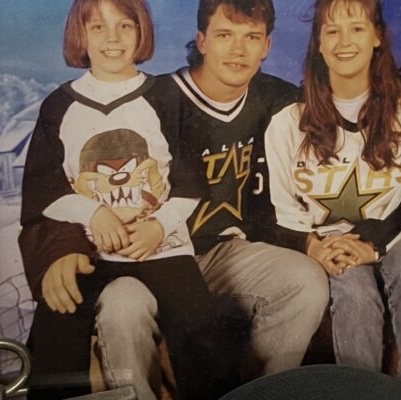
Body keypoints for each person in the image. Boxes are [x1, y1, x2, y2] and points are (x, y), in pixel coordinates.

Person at [79, 0, 330, 395]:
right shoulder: (152, 99)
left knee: (305, 280)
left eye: (251, 37)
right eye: (224, 35)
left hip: (222, 255)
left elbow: (352, 109)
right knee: (122, 306)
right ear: (201, 40)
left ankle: (252, 394)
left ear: (266, 45)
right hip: (151, 258)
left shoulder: (277, 98)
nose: (238, 50)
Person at [19, 1, 225, 399]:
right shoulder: (59, 105)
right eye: (98, 28)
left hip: (162, 249)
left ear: (141, 32)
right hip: (92, 252)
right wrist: (93, 212)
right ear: (80, 36)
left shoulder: (168, 96)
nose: (112, 38)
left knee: (202, 332)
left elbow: (191, 184)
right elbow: (43, 190)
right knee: (56, 328)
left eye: (125, 26)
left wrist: (158, 226)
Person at [264, 0, 401, 398]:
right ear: (319, 45)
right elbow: (281, 210)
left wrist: (374, 242)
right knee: (354, 291)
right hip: (332, 243)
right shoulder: (287, 120)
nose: (345, 41)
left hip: (400, 231)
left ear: (377, 37)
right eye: (332, 30)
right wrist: (311, 246)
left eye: (357, 28)